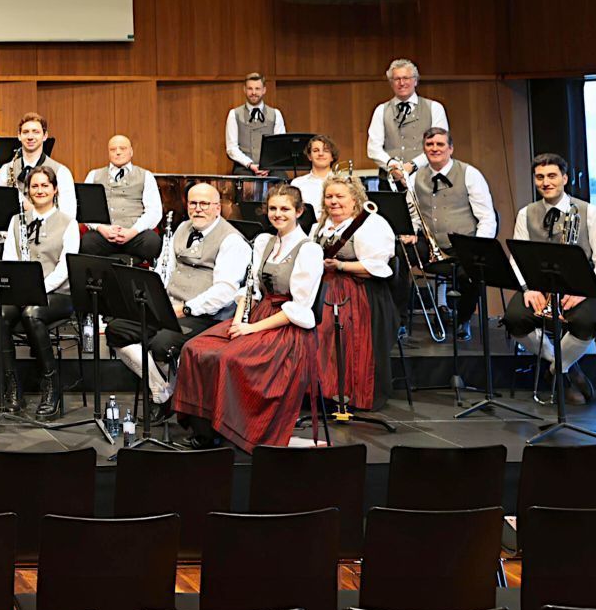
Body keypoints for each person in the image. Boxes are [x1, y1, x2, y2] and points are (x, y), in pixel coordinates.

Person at [173, 185, 330, 452]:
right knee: (194, 348)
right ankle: (204, 430)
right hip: (255, 315)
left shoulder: (309, 250)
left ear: (299, 212)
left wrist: (251, 329)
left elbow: (299, 309)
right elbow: (250, 289)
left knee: (228, 358)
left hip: (285, 328)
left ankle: (233, 428)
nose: (277, 214)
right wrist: (238, 322)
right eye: (273, 209)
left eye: (285, 209)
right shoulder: (263, 241)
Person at [107, 182, 249, 420]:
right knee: (116, 330)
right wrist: (154, 301)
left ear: (217, 208)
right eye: (193, 203)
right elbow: (166, 271)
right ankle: (161, 392)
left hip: (205, 316)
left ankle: (176, 396)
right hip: (170, 307)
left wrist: (186, 308)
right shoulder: (183, 228)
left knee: (162, 343)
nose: (198, 209)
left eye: (205, 204)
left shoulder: (232, 240)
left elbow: (224, 291)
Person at [506, 153, 596, 405]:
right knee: (514, 319)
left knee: (587, 319)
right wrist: (526, 289)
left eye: (552, 176)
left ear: (564, 178)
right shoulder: (526, 213)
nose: (546, 182)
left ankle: (556, 370)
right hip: (540, 286)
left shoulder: (590, 212)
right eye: (540, 177)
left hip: (581, 287)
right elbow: (517, 259)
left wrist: (584, 290)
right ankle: (565, 367)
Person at [0, 167, 80, 419]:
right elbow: (9, 260)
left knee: (32, 313)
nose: (40, 190)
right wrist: (19, 290)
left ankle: (51, 386)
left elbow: (66, 268)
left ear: (54, 190)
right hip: (22, 292)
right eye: (35, 186)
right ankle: (12, 388)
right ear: (28, 191)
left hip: (59, 294)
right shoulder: (16, 221)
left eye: (45, 185)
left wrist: (35, 291)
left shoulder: (68, 223)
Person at [314, 174, 398, 408]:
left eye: (340, 196)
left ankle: (349, 394)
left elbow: (376, 268)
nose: (333, 201)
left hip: (361, 293)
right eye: (329, 196)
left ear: (355, 200)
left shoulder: (371, 224)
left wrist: (340, 265)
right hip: (326, 289)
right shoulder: (322, 224)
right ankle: (322, 391)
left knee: (334, 330)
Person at [408, 127, 497, 342]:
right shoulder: (415, 178)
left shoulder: (469, 173)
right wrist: (410, 233)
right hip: (431, 245)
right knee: (395, 255)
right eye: (430, 145)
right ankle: (400, 320)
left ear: (450, 148)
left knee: (474, 270)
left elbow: (486, 216)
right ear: (424, 149)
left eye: (440, 144)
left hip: (463, 244)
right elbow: (414, 215)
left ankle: (464, 318)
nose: (434, 149)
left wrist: (477, 247)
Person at [367, 57, 449, 188]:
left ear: (415, 80)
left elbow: (439, 145)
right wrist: (393, 166)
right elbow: (373, 148)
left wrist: (412, 165)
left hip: (426, 180)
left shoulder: (434, 108)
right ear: (391, 82)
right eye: (397, 79)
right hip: (390, 182)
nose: (401, 83)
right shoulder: (381, 110)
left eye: (406, 78)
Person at [80, 135, 165, 261]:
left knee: (152, 242)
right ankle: (119, 263)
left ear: (131, 152)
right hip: (105, 236)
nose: (118, 152)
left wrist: (133, 232)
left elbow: (154, 211)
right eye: (113, 149)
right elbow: (86, 209)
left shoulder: (146, 175)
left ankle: (124, 264)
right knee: (88, 242)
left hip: (134, 235)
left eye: (122, 148)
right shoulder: (94, 175)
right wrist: (102, 229)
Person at [0, 113, 76, 218]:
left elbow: (68, 215)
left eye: (36, 132)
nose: (30, 137)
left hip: (49, 232)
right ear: (19, 136)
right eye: (25, 132)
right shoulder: (6, 170)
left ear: (45, 136)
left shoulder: (61, 172)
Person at [225, 72, 287, 177]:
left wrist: (267, 166)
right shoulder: (234, 114)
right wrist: (250, 164)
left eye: (257, 89)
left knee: (282, 181)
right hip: (244, 168)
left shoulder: (276, 114)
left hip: (271, 168)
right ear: (244, 90)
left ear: (264, 90)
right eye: (250, 88)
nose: (254, 92)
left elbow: (280, 146)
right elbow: (231, 148)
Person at [289, 134, 342, 219]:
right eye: (316, 150)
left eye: (326, 150)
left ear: (332, 157)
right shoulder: (297, 183)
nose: (321, 154)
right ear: (309, 156)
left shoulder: (343, 183)